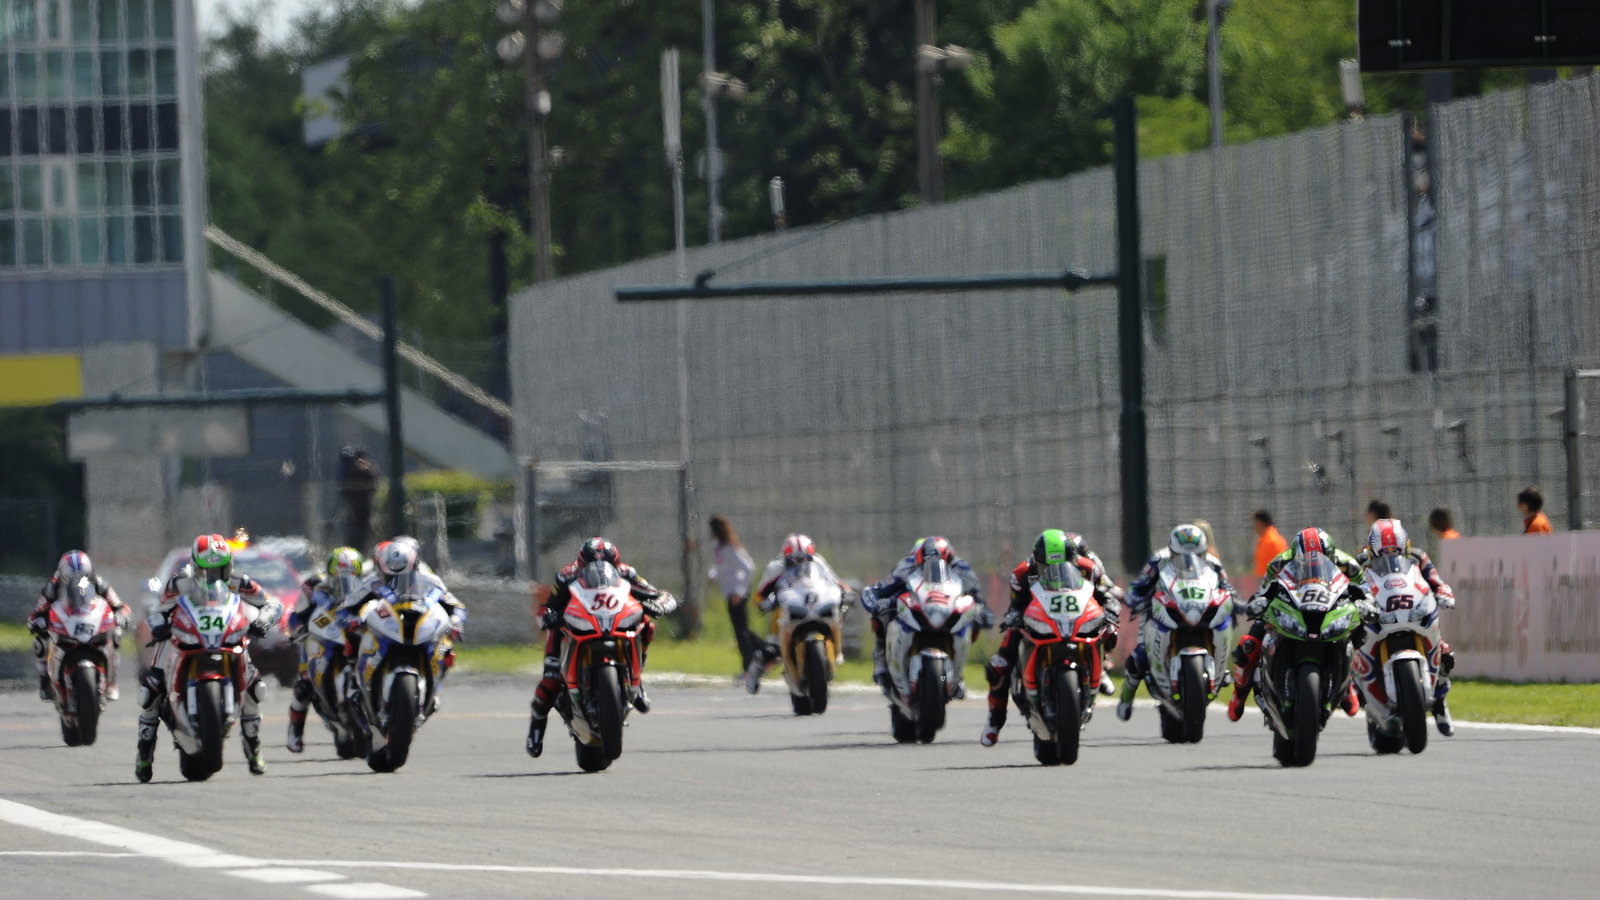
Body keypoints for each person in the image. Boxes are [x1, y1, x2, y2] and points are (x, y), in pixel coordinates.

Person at [137, 534, 283, 782]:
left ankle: (253, 749)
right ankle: (144, 755)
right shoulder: (180, 582)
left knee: (255, 687)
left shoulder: (238, 580)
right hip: (183, 636)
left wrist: (263, 621)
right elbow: (156, 609)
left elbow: (272, 604)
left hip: (225, 636)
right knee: (151, 689)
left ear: (228, 566)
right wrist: (158, 626)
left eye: (219, 569)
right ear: (195, 566)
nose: (213, 575)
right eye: (207, 570)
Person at [525, 538, 677, 758]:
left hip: (611, 622)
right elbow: (547, 606)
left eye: (606, 563)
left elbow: (659, 594)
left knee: (647, 625)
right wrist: (548, 616)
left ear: (615, 563)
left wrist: (659, 604)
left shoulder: (627, 573)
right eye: (590, 564)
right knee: (550, 681)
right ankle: (537, 724)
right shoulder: (567, 576)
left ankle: (637, 678)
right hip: (571, 629)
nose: (598, 568)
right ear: (581, 563)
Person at [980, 529, 1122, 747]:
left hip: (1075, 617)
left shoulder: (1089, 569)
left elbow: (1105, 595)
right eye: (1047, 567)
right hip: (1036, 620)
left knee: (1109, 632)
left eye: (1065, 563)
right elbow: (1015, 606)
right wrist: (1013, 617)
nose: (1055, 570)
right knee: (998, 666)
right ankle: (994, 721)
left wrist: (1111, 611)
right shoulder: (1021, 574)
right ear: (1037, 561)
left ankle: (1099, 668)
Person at [1226, 527, 1375, 723]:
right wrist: (1259, 601)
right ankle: (1239, 693)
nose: (1313, 562)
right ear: (1296, 555)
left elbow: (1364, 588)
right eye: (1305, 559)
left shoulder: (1347, 563)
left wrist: (1367, 603)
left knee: (1358, 631)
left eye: (1321, 558)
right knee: (1250, 642)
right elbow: (1264, 590)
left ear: (1330, 555)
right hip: (1292, 607)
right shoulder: (1280, 562)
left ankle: (1347, 685)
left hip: (1329, 608)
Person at [1116, 524, 1237, 721]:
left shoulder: (1212, 563)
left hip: (1198, 608)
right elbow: (1139, 584)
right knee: (1139, 658)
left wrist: (1236, 601)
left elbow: (1227, 586)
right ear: (1173, 549)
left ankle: (1219, 671)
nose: (1190, 558)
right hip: (1161, 610)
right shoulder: (1159, 559)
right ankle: (1126, 699)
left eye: (1196, 554)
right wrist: (1133, 597)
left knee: (1223, 625)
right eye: (1183, 553)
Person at [338, 539, 467, 713]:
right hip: (386, 626)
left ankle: (434, 687)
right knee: (357, 637)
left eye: (403, 575)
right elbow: (346, 608)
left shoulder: (430, 580)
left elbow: (455, 606)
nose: (396, 581)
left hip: (419, 625)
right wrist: (350, 620)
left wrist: (456, 622)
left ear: (413, 566)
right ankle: (356, 682)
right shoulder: (372, 583)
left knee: (446, 646)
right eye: (390, 577)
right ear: (381, 568)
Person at [1357, 518, 1457, 736]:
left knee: (1446, 655)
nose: (1389, 556)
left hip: (1412, 613)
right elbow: (1350, 585)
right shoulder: (1361, 562)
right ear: (1373, 550)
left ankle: (1440, 702)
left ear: (1405, 547)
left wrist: (1443, 592)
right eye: (1383, 552)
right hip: (1379, 617)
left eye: (1395, 551)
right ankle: (1357, 694)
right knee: (1351, 653)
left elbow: (1435, 581)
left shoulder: (1418, 557)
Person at [860, 536, 986, 689]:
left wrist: (981, 611)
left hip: (946, 611)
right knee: (882, 615)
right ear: (918, 557)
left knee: (972, 619)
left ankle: (952, 675)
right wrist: (878, 603)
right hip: (913, 609)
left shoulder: (962, 568)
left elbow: (977, 597)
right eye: (926, 560)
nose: (932, 563)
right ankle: (881, 658)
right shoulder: (906, 566)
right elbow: (880, 590)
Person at [285, 546, 368, 753]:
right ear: (330, 573)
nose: (345, 582)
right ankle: (295, 731)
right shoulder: (314, 586)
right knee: (303, 686)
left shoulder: (367, 587)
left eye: (351, 576)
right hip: (320, 638)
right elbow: (295, 617)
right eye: (339, 577)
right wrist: (298, 630)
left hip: (352, 635)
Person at [743, 534, 851, 693]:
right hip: (787, 608)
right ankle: (755, 671)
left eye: (804, 559)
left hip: (815, 603)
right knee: (772, 649)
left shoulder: (818, 562)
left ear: (810, 556)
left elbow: (834, 580)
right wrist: (764, 603)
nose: (799, 563)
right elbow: (759, 595)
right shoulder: (775, 568)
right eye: (793, 559)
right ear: (785, 557)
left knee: (837, 616)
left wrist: (847, 592)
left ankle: (837, 652)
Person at [28, 551, 130, 702]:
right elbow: (38, 612)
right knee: (41, 642)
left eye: (82, 575)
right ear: (62, 575)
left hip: (90, 622)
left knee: (116, 634)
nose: (77, 580)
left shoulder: (98, 582)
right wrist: (37, 622)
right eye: (71, 577)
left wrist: (122, 615)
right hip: (64, 624)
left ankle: (112, 681)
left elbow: (119, 605)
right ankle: (45, 680)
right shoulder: (53, 585)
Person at [708, 515, 758, 671]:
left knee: (741, 631)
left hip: (738, 592)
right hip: (729, 592)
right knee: (740, 629)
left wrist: (739, 591)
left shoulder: (731, 548)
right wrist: (712, 575)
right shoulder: (719, 547)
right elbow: (719, 566)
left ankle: (749, 665)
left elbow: (748, 567)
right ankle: (765, 652)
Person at [338, 446, 380, 551]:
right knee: (361, 529)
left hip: (356, 503)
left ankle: (358, 548)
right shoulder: (366, 466)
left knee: (357, 528)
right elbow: (374, 480)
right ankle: (359, 548)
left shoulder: (356, 467)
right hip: (361, 504)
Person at [1252, 509, 1288, 578]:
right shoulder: (1265, 540)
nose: (1254, 527)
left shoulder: (1272, 541)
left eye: (1255, 523)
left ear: (1260, 523)